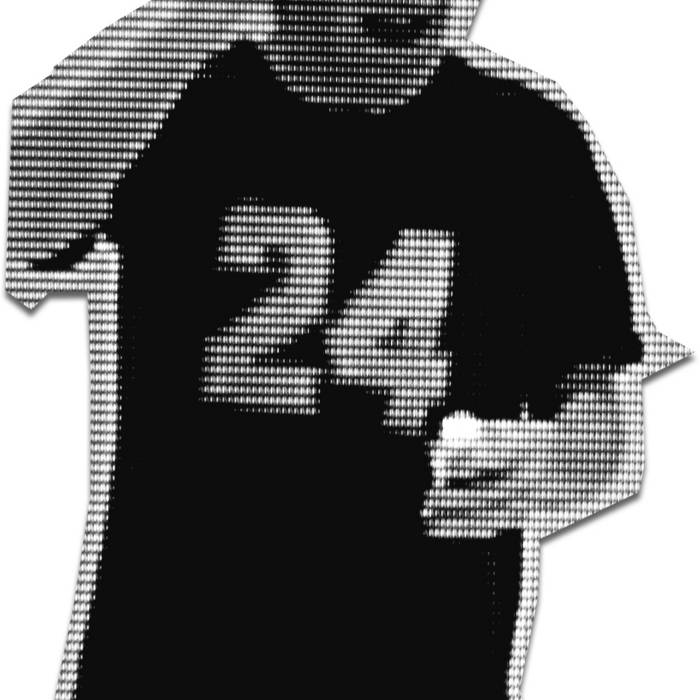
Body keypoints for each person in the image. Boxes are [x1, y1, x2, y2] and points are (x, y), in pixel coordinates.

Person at [32, 2, 642, 698]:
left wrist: (562, 459)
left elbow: (603, 427)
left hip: (423, 661)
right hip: (170, 656)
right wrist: (205, 12)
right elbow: (23, 216)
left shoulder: (528, 143)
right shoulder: (177, 101)